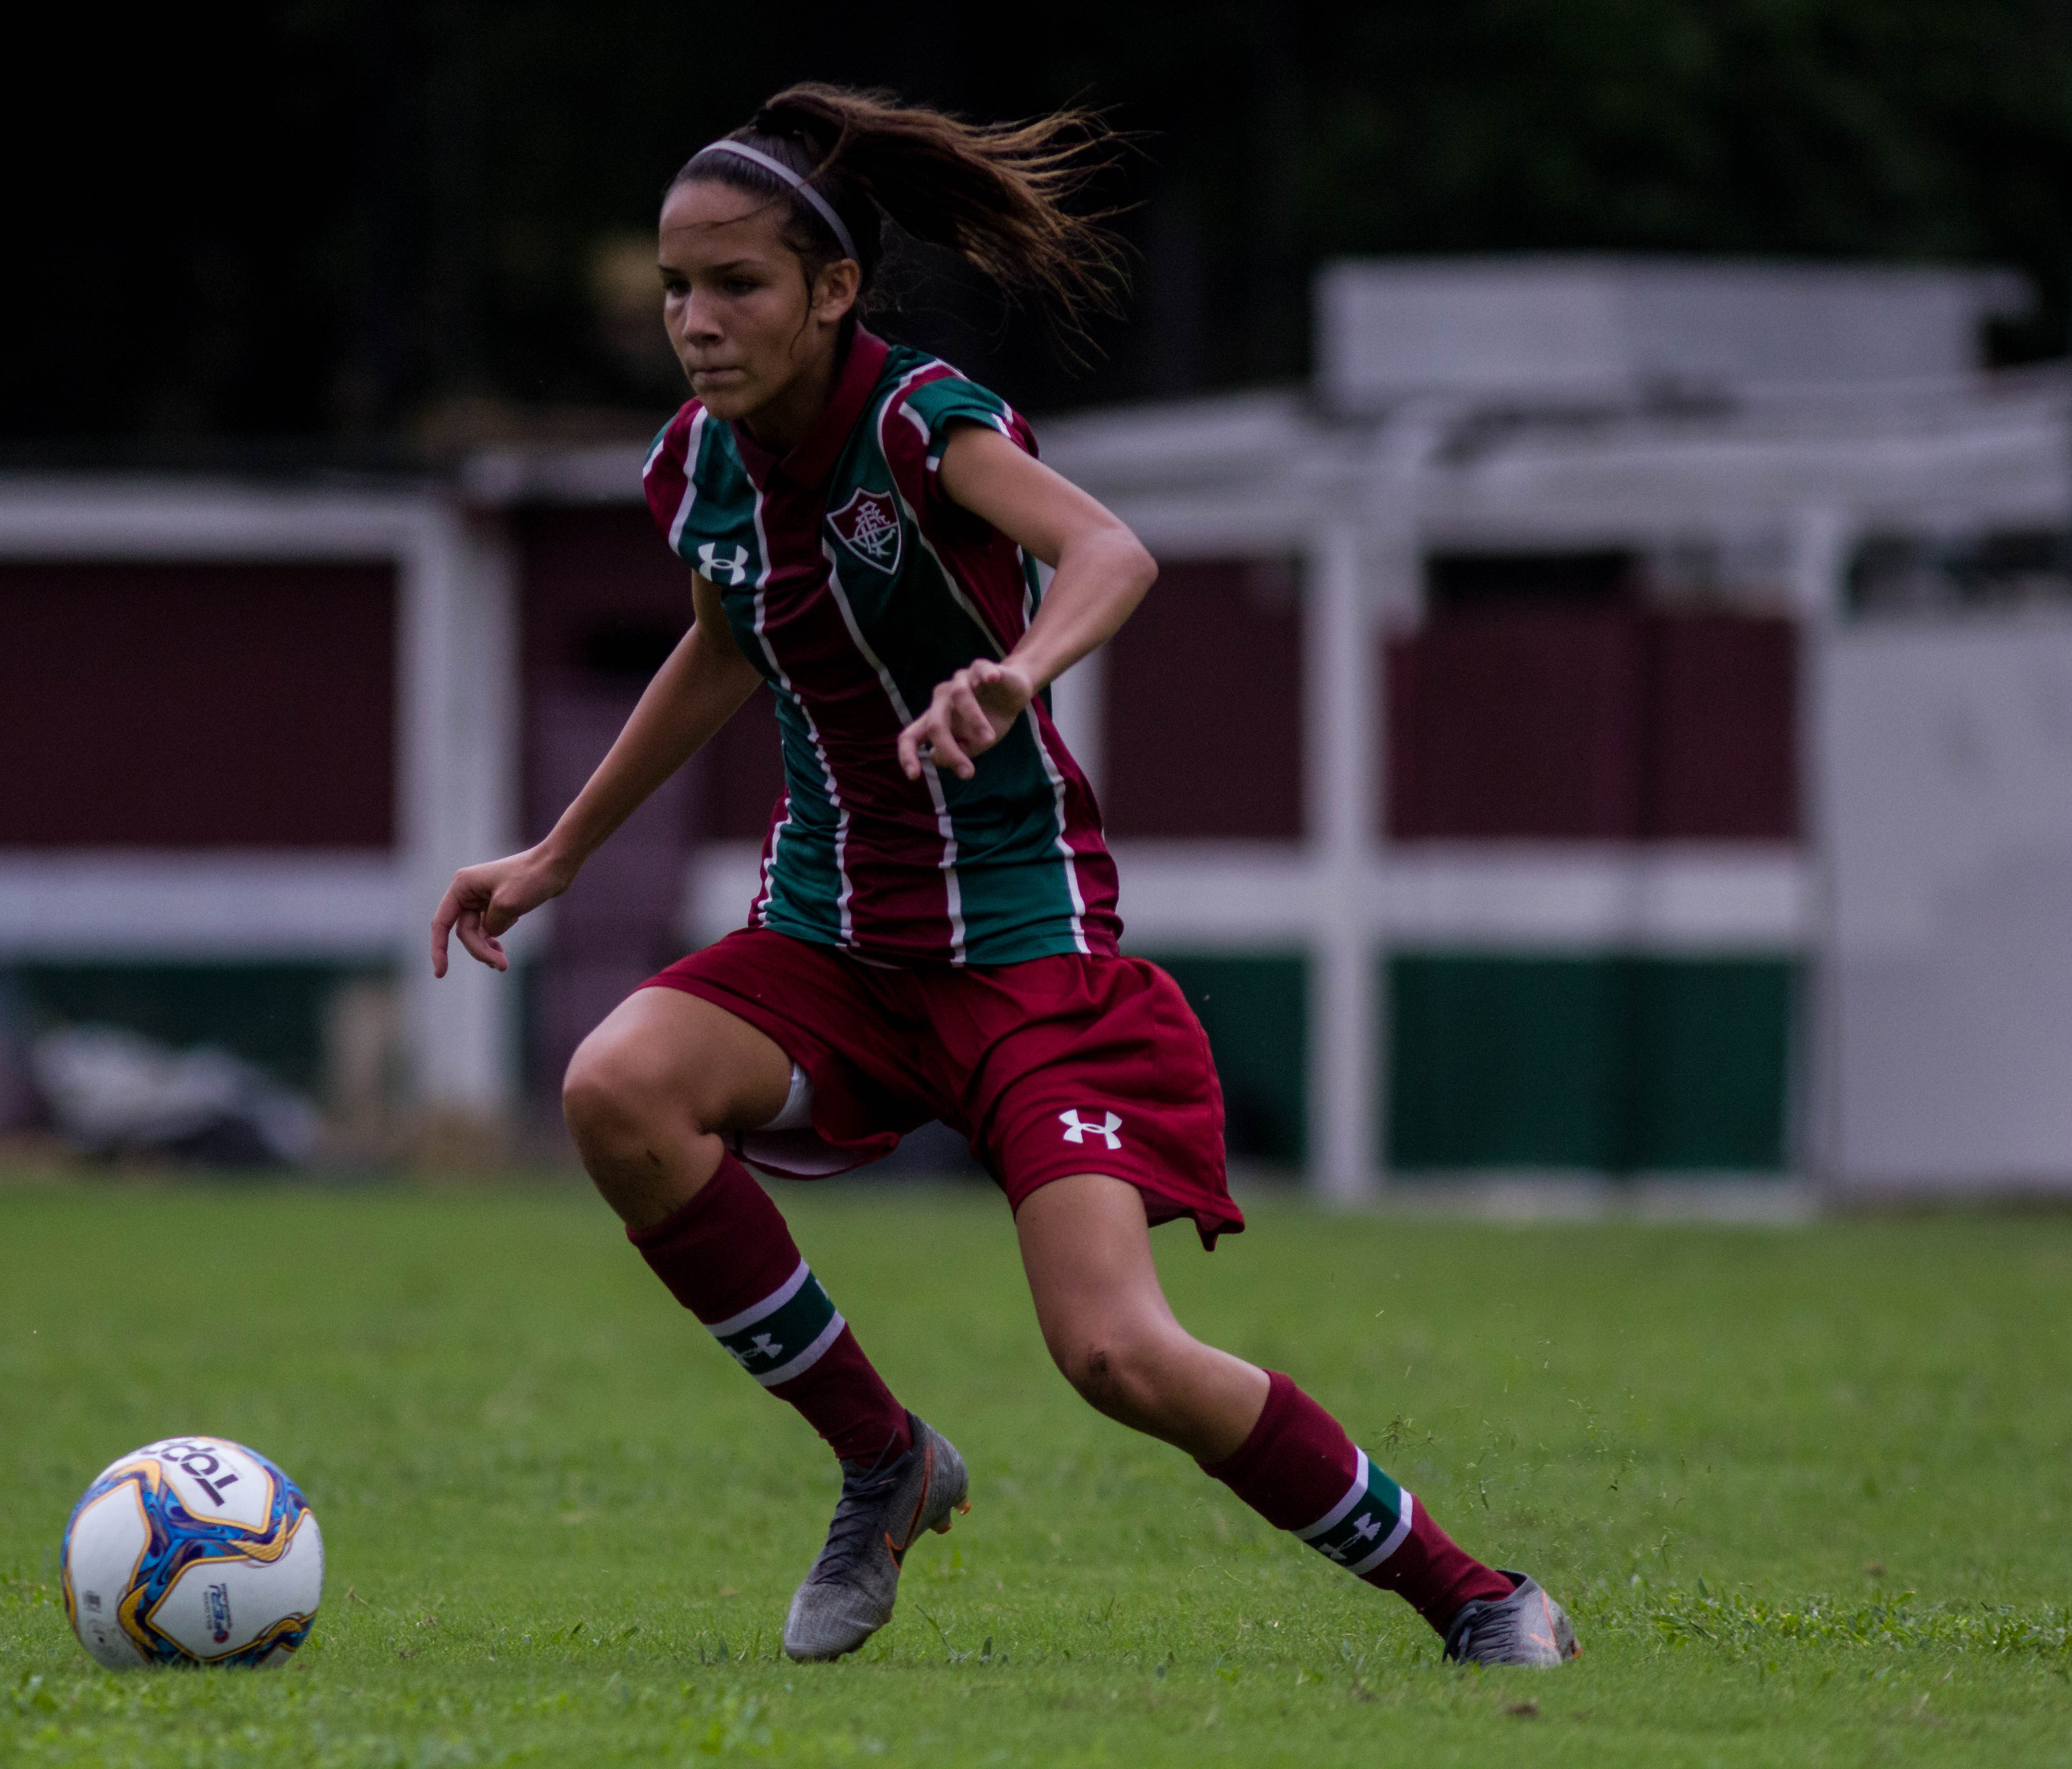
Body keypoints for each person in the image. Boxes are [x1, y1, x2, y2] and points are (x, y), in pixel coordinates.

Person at [429, 83, 1576, 1670]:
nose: (698, 320)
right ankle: (884, 1457)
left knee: (1116, 1355)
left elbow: (1113, 550)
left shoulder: (918, 419)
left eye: (738, 285)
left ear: (835, 292)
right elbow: (720, 647)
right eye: (678, 287)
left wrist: (1021, 671)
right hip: (830, 941)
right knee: (618, 1086)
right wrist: (556, 852)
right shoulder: (696, 465)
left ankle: (1479, 1599)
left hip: (1026, 954)